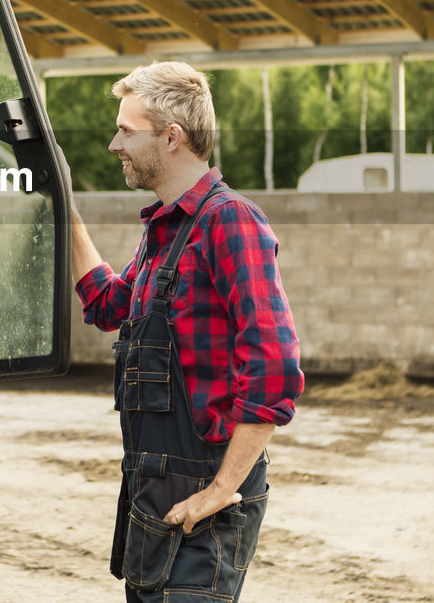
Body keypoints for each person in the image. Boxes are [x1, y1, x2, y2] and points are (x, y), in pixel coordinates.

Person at [69, 61, 303, 601]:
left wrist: (224, 488)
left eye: (126, 130)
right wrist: (66, 212)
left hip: (205, 497)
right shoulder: (165, 233)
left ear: (172, 137)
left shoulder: (230, 221)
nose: (113, 144)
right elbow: (110, 304)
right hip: (150, 491)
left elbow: (274, 366)